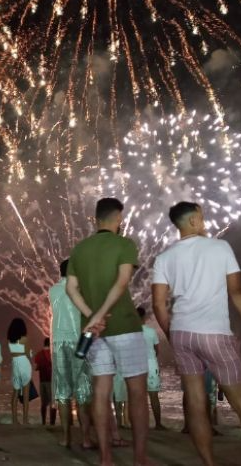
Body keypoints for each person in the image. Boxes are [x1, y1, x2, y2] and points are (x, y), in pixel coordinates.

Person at [152, 201, 241, 465]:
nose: (204, 222)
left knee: (196, 405)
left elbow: (158, 304)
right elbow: (236, 291)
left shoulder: (164, 257)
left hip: (182, 334)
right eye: (201, 217)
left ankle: (209, 464)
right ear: (192, 221)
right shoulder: (220, 248)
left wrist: (172, 334)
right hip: (214, 333)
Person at [66, 198, 149, 466]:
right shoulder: (124, 244)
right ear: (118, 218)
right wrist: (102, 316)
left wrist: (92, 319)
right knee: (136, 391)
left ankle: (105, 459)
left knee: (101, 392)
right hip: (124, 325)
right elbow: (122, 283)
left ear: (95, 219)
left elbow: (70, 289)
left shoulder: (79, 250)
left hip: (94, 334)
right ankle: (139, 459)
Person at [49, 259, 93, 448]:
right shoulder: (82, 290)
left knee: (63, 393)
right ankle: (85, 438)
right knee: (83, 391)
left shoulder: (53, 290)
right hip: (81, 341)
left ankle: (66, 437)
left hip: (59, 342)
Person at [137, 307, 164, 430]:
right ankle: (158, 424)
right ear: (144, 317)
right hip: (151, 364)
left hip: (137, 365)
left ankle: (141, 424)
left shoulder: (133, 333)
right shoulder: (151, 331)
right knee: (154, 396)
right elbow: (157, 350)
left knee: (139, 397)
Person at [7, 318, 31, 425]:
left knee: (15, 392)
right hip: (24, 363)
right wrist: (31, 354)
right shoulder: (24, 339)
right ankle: (25, 420)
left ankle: (14, 419)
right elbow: (27, 353)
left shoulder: (9, 341)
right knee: (26, 394)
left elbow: (12, 353)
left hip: (15, 363)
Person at [34, 337, 56, 426]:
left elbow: (37, 367)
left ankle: (43, 422)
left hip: (42, 381)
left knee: (43, 403)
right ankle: (52, 423)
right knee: (52, 403)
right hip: (51, 381)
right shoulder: (53, 354)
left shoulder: (39, 354)